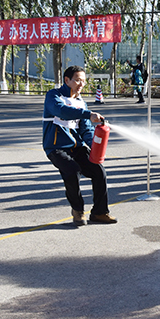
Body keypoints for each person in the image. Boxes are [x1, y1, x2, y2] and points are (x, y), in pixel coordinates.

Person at [43, 65, 117, 226]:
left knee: (98, 171)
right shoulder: (54, 96)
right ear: (67, 80)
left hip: (77, 147)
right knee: (72, 170)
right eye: (77, 80)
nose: (81, 84)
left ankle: (99, 212)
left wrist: (95, 150)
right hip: (56, 148)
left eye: (83, 81)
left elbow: (86, 130)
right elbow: (62, 111)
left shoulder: (81, 103)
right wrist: (88, 114)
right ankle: (78, 210)